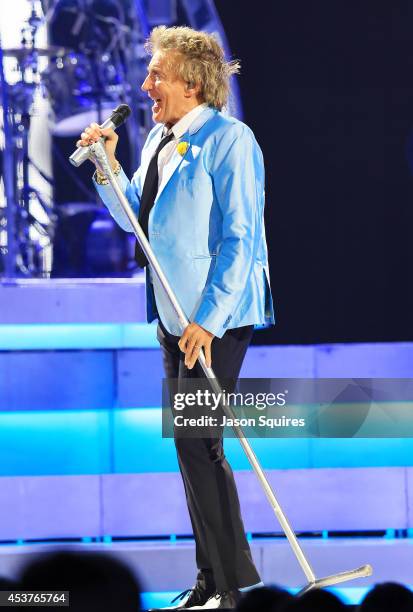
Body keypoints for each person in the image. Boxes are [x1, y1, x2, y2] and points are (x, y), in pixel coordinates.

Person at [77, 25, 274, 610]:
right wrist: (108, 166)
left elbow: (241, 239)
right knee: (192, 445)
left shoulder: (230, 140)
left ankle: (228, 585)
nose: (146, 86)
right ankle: (214, 580)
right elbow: (134, 219)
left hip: (217, 316)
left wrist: (209, 320)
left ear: (190, 82)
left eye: (156, 75)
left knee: (200, 443)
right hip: (172, 313)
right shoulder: (161, 142)